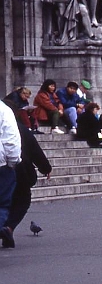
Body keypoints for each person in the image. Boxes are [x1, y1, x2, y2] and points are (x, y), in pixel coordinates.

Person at [4, 120, 51, 245]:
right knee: (22, 199)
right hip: (17, 167)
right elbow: (34, 149)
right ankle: (8, 227)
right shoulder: (19, 127)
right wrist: (45, 168)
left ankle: (7, 227)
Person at [0, 99, 22, 249]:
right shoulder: (4, 110)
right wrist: (13, 161)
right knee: (2, 203)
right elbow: (11, 140)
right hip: (1, 166)